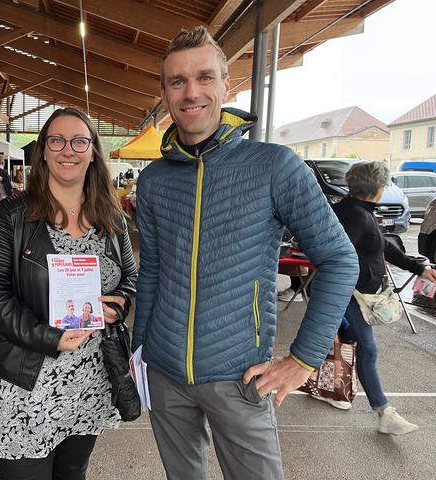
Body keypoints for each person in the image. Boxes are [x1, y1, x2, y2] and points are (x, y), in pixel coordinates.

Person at [132, 26, 359, 480]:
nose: (191, 91)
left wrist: (302, 360)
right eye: (177, 81)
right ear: (163, 93)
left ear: (226, 85)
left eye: (203, 77)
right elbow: (153, 272)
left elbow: (339, 259)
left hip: (240, 374)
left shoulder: (273, 165)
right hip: (163, 372)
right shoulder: (154, 180)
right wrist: (139, 352)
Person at [0, 106, 137, 480]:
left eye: (80, 140)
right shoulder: (14, 214)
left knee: (73, 473)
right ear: (43, 151)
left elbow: (130, 276)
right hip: (25, 381)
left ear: (92, 150)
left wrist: (120, 304)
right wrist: (50, 337)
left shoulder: (110, 216)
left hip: (90, 379)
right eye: (57, 140)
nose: (69, 150)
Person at [329, 161, 435, 433]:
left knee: (341, 344)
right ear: (377, 187)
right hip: (350, 294)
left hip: (354, 294)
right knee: (367, 348)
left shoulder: (360, 211)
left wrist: (420, 268)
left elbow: (384, 245)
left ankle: (335, 390)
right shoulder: (355, 215)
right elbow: (337, 255)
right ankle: (384, 412)